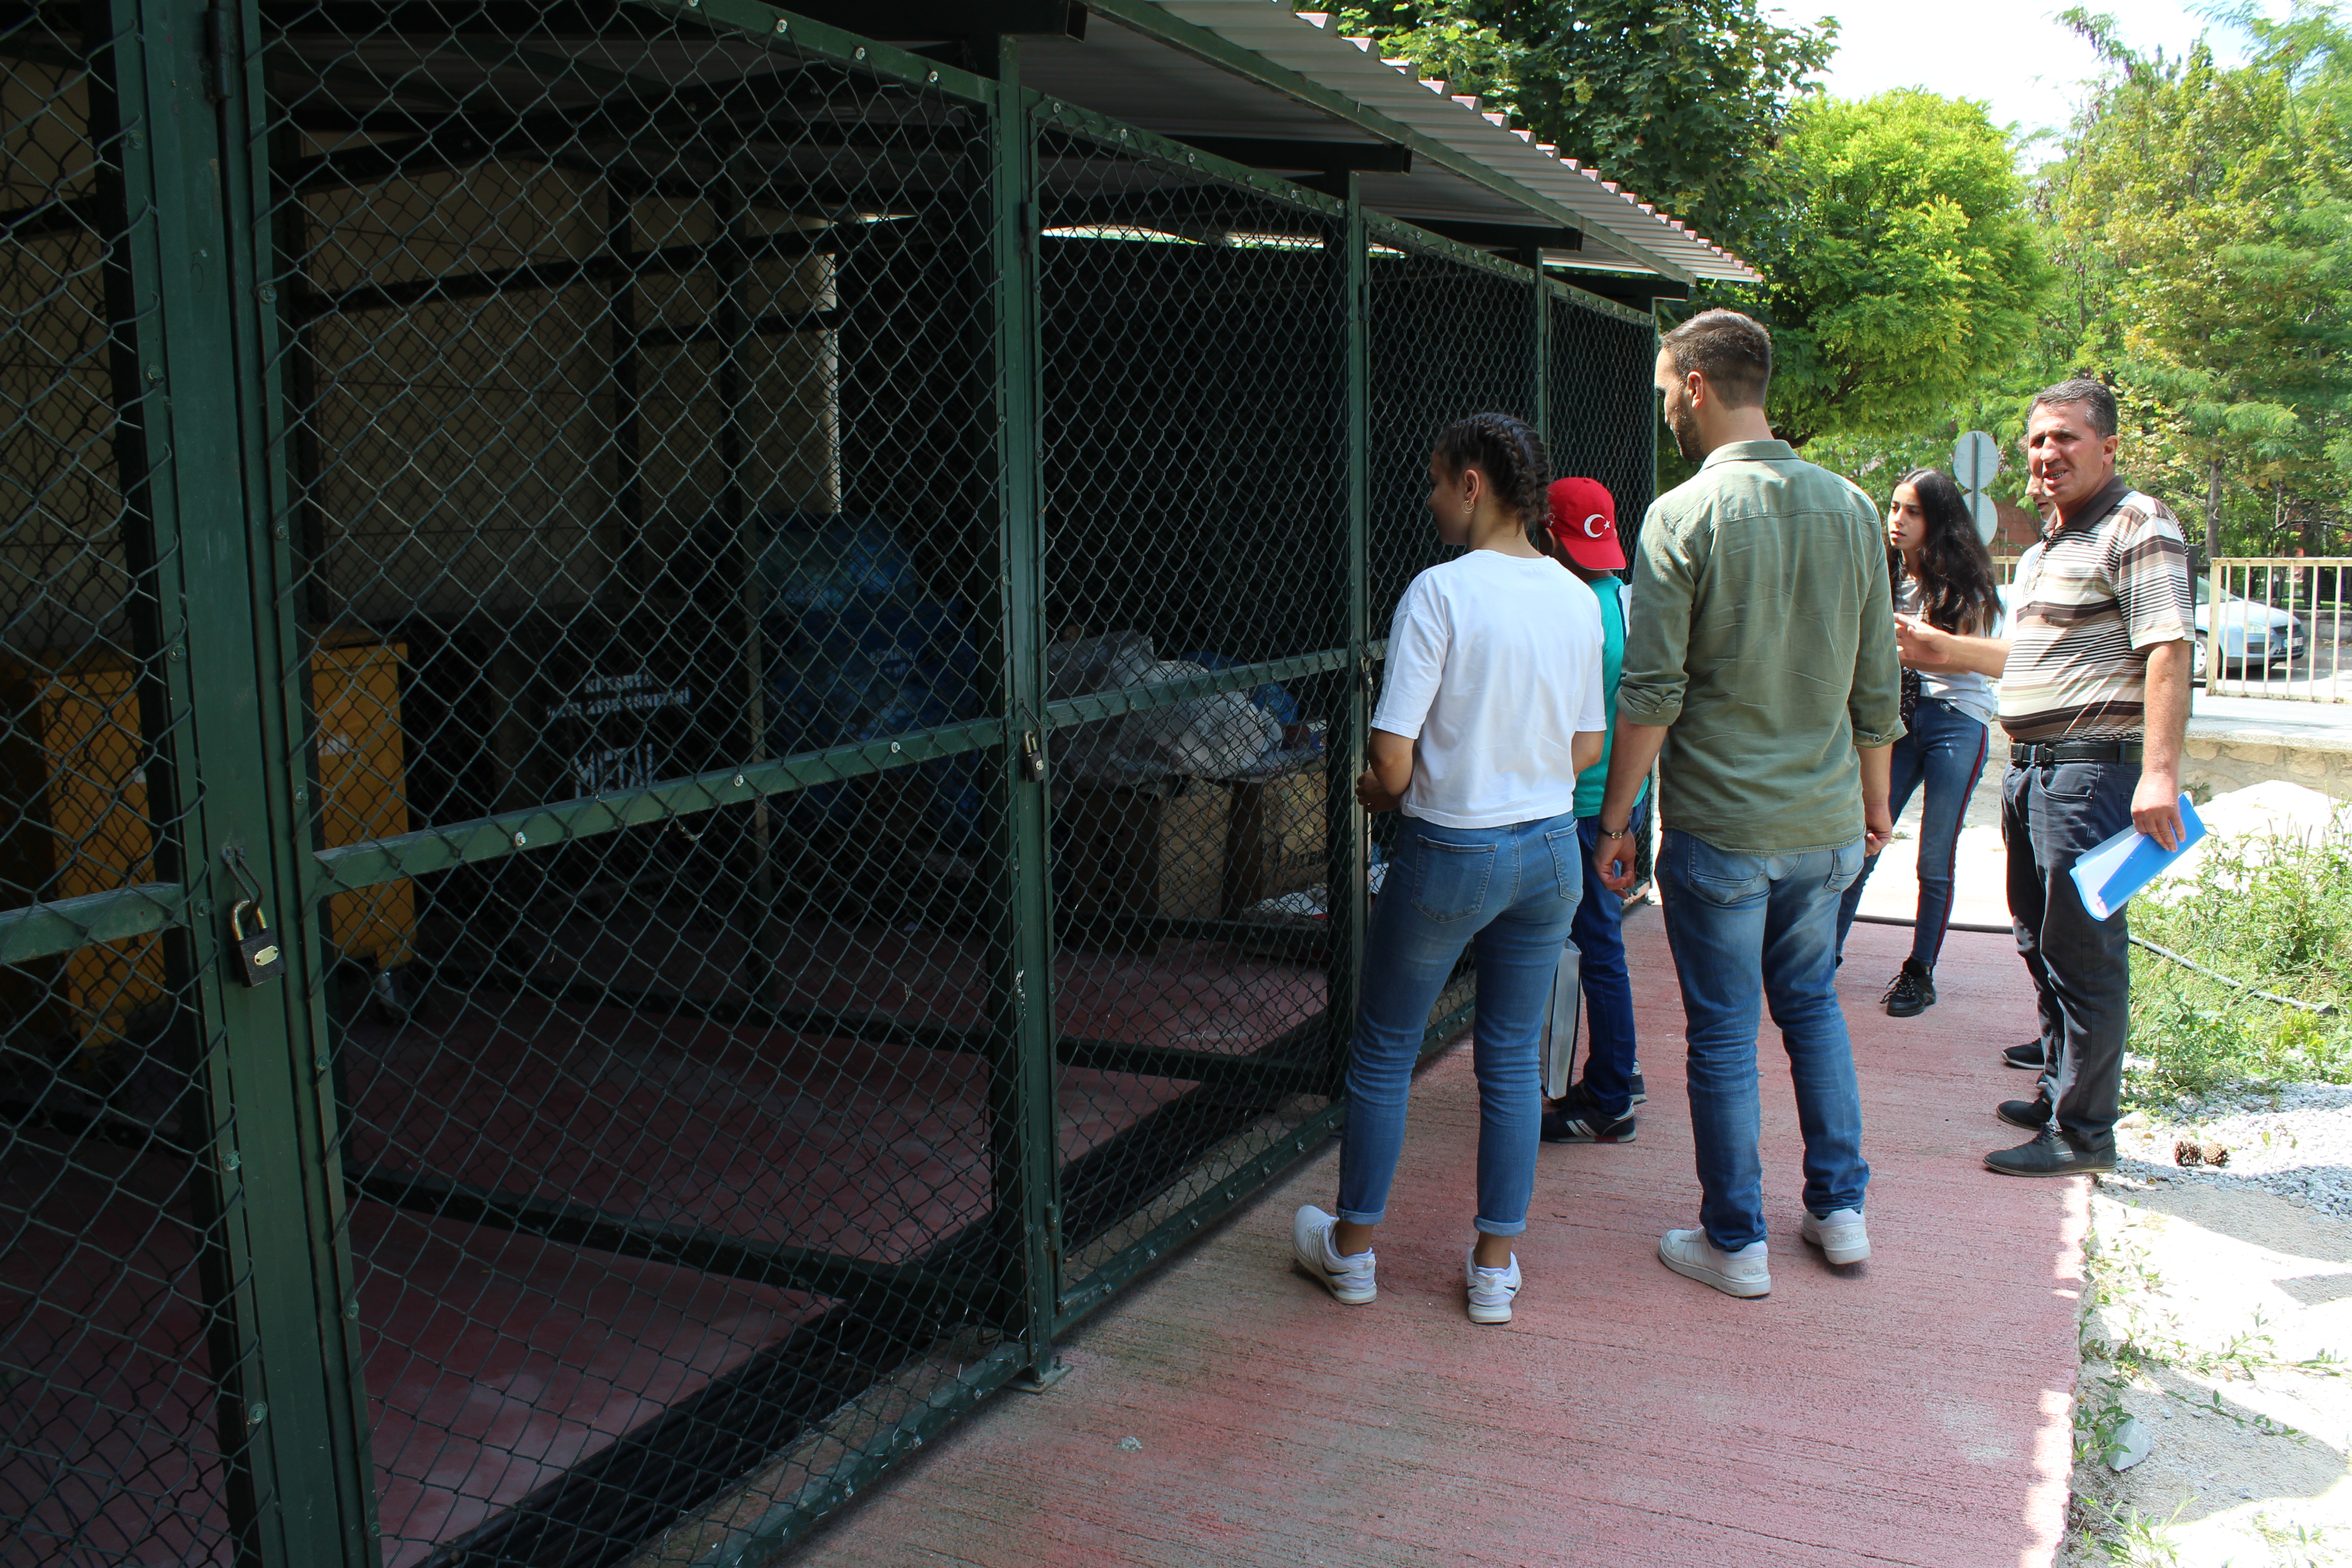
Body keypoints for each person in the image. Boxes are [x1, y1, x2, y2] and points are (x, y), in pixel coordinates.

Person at [1592, 309, 1901, 1299]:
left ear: (1693, 384)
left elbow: (1651, 694)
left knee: (1724, 1034)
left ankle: (1737, 1242)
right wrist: (1876, 805)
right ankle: (1840, 1212)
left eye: (1661, 392)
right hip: (1823, 833)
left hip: (1721, 832)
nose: (1664, 413)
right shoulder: (1853, 508)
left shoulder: (1681, 515)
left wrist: (1616, 822)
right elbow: (1878, 685)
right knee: (1811, 1012)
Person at [1291, 412, 1607, 1325]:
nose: (1429, 498)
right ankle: (1494, 1268)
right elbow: (1587, 745)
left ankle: (1351, 1252)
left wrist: (1373, 791)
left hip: (1450, 849)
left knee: (1387, 1049)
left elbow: (1391, 765)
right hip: (1549, 848)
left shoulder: (1439, 593)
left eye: (1437, 480)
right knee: (1511, 1060)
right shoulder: (1577, 597)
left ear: (1474, 484)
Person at [1893, 379, 2195, 1177]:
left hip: (2091, 774)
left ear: (2106, 447)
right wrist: (1941, 649)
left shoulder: (2136, 523)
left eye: (2063, 437)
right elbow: (2031, 658)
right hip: (2033, 772)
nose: (2045, 454)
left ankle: (2082, 1133)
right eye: (2034, 440)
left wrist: (2157, 774)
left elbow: (2167, 647)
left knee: (2083, 952)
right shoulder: (2052, 545)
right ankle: (2056, 1088)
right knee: (2038, 940)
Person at [1832, 469, 2003, 1015]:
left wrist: (1903, 644)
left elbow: (1944, 655)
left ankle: (1919, 972)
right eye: (1894, 508)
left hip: (1957, 719)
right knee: (1865, 836)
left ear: (1938, 521)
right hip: (1897, 720)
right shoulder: (1881, 575)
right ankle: (1821, 956)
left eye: (1912, 511)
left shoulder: (1966, 582)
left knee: (1934, 858)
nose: (1897, 521)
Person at [1534, 475, 1650, 1143]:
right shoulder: (1617, 595)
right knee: (1604, 942)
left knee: (1598, 948)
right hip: (1616, 798)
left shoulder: (1575, 610)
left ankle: (1609, 1100)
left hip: (1581, 805)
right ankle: (1621, 1069)